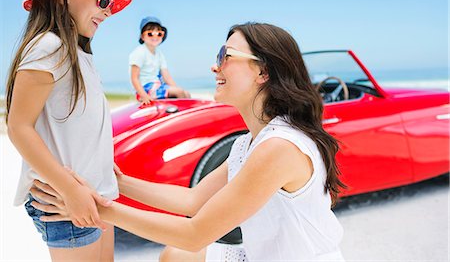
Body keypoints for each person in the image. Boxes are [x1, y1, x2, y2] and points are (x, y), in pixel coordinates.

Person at [31, 23, 347, 261]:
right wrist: (121, 183)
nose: (215, 66)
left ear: (263, 71)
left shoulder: (279, 148)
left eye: (226, 56)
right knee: (175, 255)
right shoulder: (248, 145)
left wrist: (94, 209)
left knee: (184, 250)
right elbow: (193, 200)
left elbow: (196, 233)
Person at [5, 0, 131, 260]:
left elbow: (76, 122)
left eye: (111, 2)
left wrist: (99, 158)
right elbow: (18, 127)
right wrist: (70, 190)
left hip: (95, 192)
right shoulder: (49, 46)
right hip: (66, 201)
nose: (108, 10)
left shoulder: (80, 52)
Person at [129, 16, 191, 105]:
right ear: (142, 36)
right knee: (179, 92)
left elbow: (167, 77)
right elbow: (134, 78)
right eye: (150, 34)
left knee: (185, 93)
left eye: (159, 34)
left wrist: (179, 90)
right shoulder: (139, 52)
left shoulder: (159, 54)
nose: (155, 36)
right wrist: (143, 95)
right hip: (145, 89)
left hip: (158, 86)